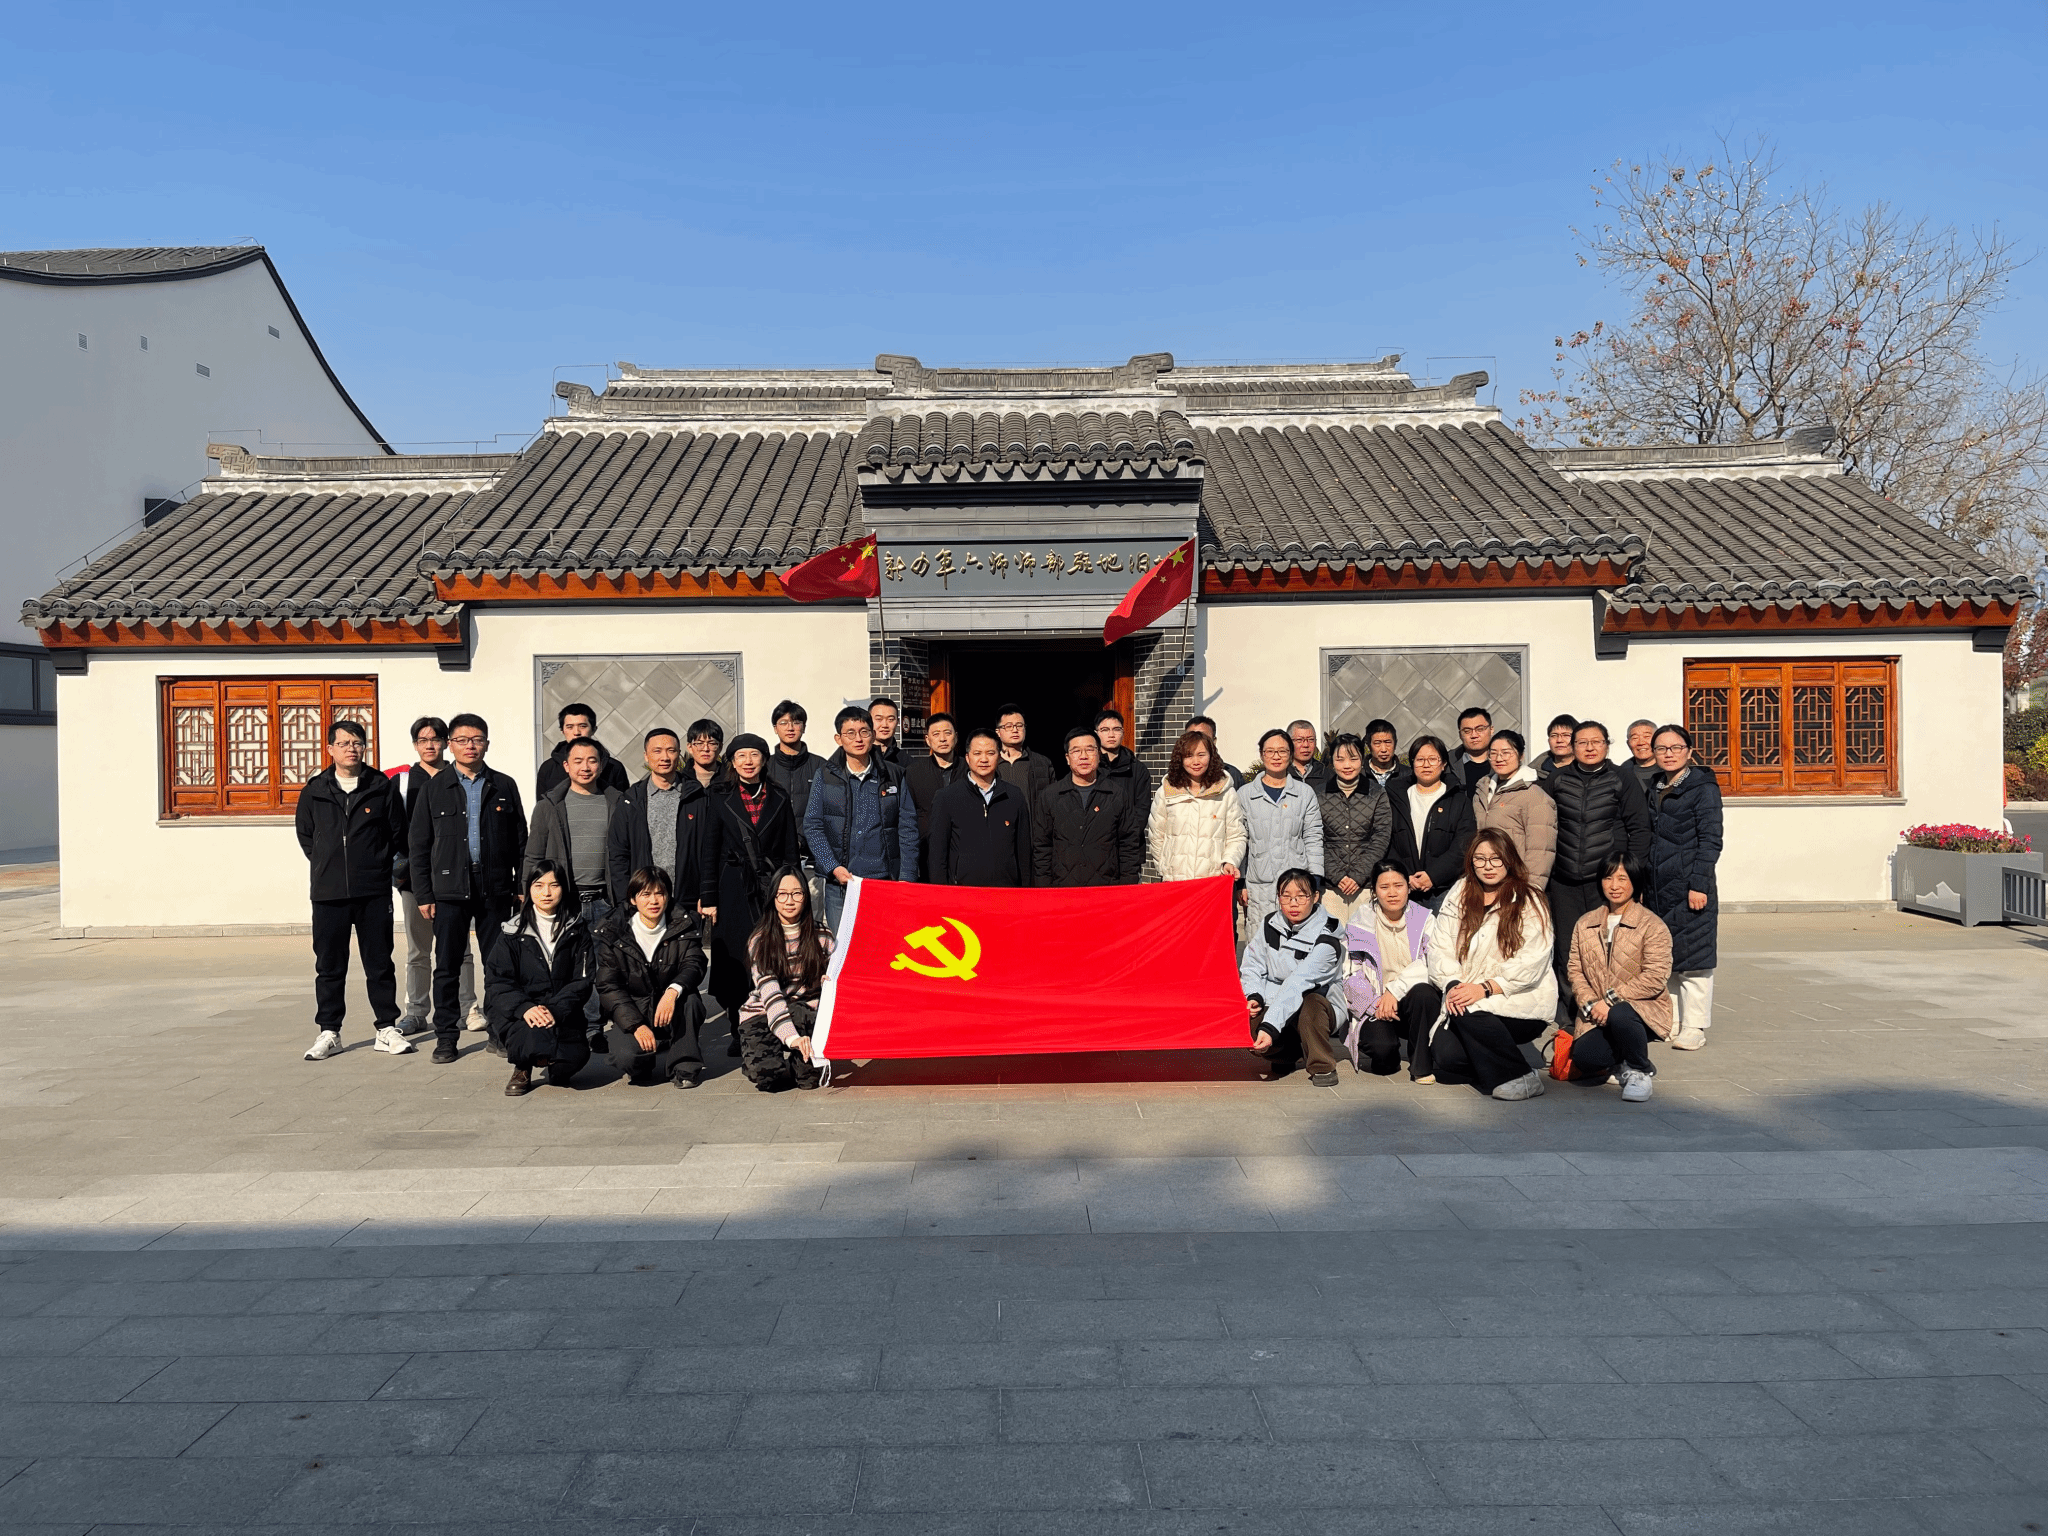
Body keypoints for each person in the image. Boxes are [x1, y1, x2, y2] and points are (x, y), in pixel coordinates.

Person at [411, 713, 528, 1065]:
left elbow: (520, 841)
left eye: (477, 739)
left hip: (495, 888)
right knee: (447, 966)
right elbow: (419, 845)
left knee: (498, 965)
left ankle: (499, 1032)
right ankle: (447, 1036)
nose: (470, 746)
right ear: (451, 745)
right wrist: (424, 894)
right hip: (449, 890)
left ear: (487, 744)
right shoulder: (435, 788)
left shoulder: (503, 785)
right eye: (462, 740)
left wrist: (521, 886)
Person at [1416, 832, 1558, 1100]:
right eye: (1480, 859)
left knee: (1470, 1009)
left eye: (1496, 858)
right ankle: (1496, 1067)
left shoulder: (1530, 898)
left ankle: (1521, 1077)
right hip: (1466, 995)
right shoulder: (1460, 892)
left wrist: (1485, 988)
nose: (1488, 866)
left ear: (1509, 859)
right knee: (1447, 1056)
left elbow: (1533, 959)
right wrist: (1453, 983)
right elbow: (1439, 947)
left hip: (1517, 997)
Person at [297, 719, 407, 1060]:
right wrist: (328, 865)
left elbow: (397, 833)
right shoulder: (315, 790)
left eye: (357, 742)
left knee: (380, 962)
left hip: (372, 890)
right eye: (344, 743)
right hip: (328, 893)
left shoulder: (380, 786)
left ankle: (386, 1028)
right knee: (329, 965)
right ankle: (330, 1031)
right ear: (330, 748)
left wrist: (375, 864)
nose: (351, 749)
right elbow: (307, 836)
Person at [1544, 719, 1653, 1026]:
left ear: (1607, 745)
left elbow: (1639, 830)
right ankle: (1572, 1015)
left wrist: (1631, 878)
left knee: (1607, 948)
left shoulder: (1623, 778)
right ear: (1572, 747)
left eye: (1596, 742)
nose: (1590, 748)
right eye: (1582, 742)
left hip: (1605, 881)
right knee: (1567, 948)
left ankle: (1609, 1010)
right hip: (1564, 878)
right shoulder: (1557, 779)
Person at [704, 733, 801, 1041]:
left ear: (764, 759)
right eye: (741, 756)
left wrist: (793, 889)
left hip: (771, 885)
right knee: (735, 957)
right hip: (732, 887)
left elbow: (790, 847)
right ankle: (739, 1028)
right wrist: (708, 896)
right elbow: (709, 849)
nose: (748, 762)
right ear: (732, 762)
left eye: (754, 755)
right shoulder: (719, 795)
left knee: (773, 952)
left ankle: (774, 1023)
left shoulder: (778, 795)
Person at [1563, 852, 1673, 1102]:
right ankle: (1622, 1057)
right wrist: (1591, 1004)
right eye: (1608, 878)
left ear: (1635, 881)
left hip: (1640, 1009)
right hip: (1597, 1012)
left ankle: (1640, 1070)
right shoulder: (1585, 923)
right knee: (1586, 1059)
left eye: (1622, 879)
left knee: (1621, 1013)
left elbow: (1655, 976)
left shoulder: (1652, 925)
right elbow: (1575, 970)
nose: (1614, 886)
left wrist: (1610, 1001)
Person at [388, 717, 473, 1035]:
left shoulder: (462, 778)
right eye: (423, 740)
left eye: (436, 739)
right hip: (415, 877)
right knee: (418, 950)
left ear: (446, 743)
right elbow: (394, 831)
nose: (430, 745)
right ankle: (416, 1011)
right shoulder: (402, 782)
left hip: (457, 879)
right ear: (415, 745)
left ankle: (468, 1008)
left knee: (461, 949)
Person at [804, 705, 919, 933]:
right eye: (850, 733)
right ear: (838, 739)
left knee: (884, 945)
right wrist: (832, 866)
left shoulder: (893, 774)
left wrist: (907, 876)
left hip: (884, 882)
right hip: (842, 884)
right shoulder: (825, 775)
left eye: (864, 732)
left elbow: (907, 827)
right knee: (844, 947)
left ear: (873, 736)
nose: (858, 739)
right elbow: (813, 826)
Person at [485, 860, 594, 1097]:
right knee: (531, 1038)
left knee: (574, 1059)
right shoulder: (512, 932)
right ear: (529, 890)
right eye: (538, 885)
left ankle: (553, 1061)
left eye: (554, 885)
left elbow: (583, 981)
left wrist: (555, 1010)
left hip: (562, 1012)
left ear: (564, 888)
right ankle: (522, 1067)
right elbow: (498, 981)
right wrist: (525, 1008)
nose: (546, 893)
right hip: (523, 1014)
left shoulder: (577, 929)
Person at [596, 866, 708, 1088]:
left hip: (671, 1007)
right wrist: (636, 1025)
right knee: (626, 1057)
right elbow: (609, 986)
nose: (653, 901)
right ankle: (643, 1062)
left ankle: (684, 1067)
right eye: (645, 894)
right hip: (634, 1008)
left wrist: (673, 991)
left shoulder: (683, 924)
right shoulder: (614, 931)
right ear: (633, 899)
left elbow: (694, 963)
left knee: (691, 1000)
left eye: (660, 893)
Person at [1646, 724, 1722, 1052]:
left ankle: (1694, 1027)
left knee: (1695, 961)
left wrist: (1699, 883)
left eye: (1676, 747)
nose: (1669, 754)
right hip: (1658, 887)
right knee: (1668, 959)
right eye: (1662, 748)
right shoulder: (1655, 785)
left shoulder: (1702, 788)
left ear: (1689, 751)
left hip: (1690, 885)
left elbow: (1711, 839)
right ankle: (1673, 1021)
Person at [1241, 868, 1348, 1087]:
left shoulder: (1328, 934)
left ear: (1315, 897)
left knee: (1310, 1004)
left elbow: (1299, 982)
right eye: (1286, 896)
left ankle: (1322, 1065)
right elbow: (1252, 965)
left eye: (1301, 896)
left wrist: (1270, 1027)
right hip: (1275, 997)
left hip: (1318, 1000)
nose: (1293, 903)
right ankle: (1287, 1055)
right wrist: (1254, 995)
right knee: (1249, 1017)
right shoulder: (1270, 923)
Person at [735, 866, 833, 1091]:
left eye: (797, 893)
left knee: (809, 1081)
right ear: (773, 898)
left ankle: (798, 1063)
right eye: (782, 894)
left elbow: (837, 980)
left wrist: (829, 982)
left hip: (805, 1011)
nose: (790, 901)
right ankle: (770, 1059)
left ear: (805, 897)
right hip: (763, 1012)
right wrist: (792, 1039)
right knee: (767, 1077)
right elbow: (772, 996)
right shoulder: (761, 940)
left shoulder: (822, 936)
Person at [606, 727, 717, 924]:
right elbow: (618, 855)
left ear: (679, 754)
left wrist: (707, 894)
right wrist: (626, 900)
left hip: (688, 901)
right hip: (644, 903)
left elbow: (710, 850)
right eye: (657, 751)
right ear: (646, 756)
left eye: (671, 751)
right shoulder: (631, 800)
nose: (664, 757)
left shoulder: (698, 797)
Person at [1343, 862, 1437, 1078]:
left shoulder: (1425, 919)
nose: (1392, 893)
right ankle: (1389, 1050)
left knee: (1424, 992)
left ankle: (1421, 1066)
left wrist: (1394, 991)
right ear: (1374, 891)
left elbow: (1431, 962)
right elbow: (1349, 974)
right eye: (1384, 887)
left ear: (1408, 887)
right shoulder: (1360, 923)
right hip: (1376, 1004)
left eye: (1398, 886)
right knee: (1383, 1054)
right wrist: (1376, 1004)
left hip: (1411, 1000)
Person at [1238, 729, 1324, 932]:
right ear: (1262, 755)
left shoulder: (1304, 793)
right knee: (1260, 939)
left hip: (1297, 885)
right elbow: (1240, 839)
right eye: (1270, 751)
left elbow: (1313, 837)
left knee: (1298, 940)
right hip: (1259, 886)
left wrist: (1315, 879)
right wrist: (1240, 883)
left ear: (1291, 754)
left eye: (1282, 751)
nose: (1276, 756)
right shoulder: (1245, 795)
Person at [1034, 726, 1142, 887]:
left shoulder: (1117, 795)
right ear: (1067, 758)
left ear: (1099, 755)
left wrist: (1127, 886)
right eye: (1076, 751)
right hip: (1063, 888)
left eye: (1090, 750)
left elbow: (1129, 844)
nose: (1083, 756)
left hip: (1106, 888)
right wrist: (1044, 887)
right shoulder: (1050, 796)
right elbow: (1042, 846)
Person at [929, 729, 1033, 886]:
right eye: (977, 753)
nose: (984, 759)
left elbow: (1023, 851)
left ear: (999, 756)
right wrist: (942, 893)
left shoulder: (1014, 796)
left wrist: (1024, 890)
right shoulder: (947, 797)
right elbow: (937, 855)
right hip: (963, 891)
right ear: (967, 758)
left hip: (1005, 891)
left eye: (990, 753)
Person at [1385, 736, 1476, 911]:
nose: (1426, 765)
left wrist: (1433, 876)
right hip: (1404, 887)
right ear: (1412, 764)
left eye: (1433, 759)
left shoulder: (1458, 800)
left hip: (1443, 889)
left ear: (1443, 764)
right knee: (1406, 930)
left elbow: (1463, 845)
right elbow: (1386, 840)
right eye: (1420, 760)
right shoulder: (1396, 798)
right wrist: (1404, 874)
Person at [1148, 729, 1247, 883]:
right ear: (1180, 759)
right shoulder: (1167, 791)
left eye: (1201, 755)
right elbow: (1156, 834)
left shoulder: (1225, 793)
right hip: (1174, 882)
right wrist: (1164, 868)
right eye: (1189, 756)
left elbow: (1236, 835)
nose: (1195, 762)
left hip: (1212, 882)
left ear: (1211, 756)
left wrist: (1230, 861)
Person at [1317, 732, 1392, 924]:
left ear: (1362, 759)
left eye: (1353, 758)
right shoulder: (1319, 794)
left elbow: (1381, 837)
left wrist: (1358, 876)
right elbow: (1315, 839)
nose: (1347, 765)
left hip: (1365, 886)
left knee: (1364, 938)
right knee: (1332, 939)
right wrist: (1337, 876)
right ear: (1332, 761)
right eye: (1340, 759)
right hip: (1330, 887)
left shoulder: (1377, 793)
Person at [1472, 730, 1557, 891]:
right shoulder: (1482, 790)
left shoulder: (1535, 796)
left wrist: (1531, 890)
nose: (1499, 758)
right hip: (1483, 879)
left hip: (1516, 883)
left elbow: (1540, 851)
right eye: (1493, 753)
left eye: (1506, 753)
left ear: (1521, 755)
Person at [905, 711, 963, 878]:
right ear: (928, 740)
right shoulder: (914, 772)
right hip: (927, 852)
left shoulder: (969, 770)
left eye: (947, 733)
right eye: (936, 734)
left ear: (956, 737)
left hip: (965, 851)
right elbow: (908, 816)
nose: (942, 739)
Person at [535, 701, 630, 799]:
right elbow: (543, 806)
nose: (576, 732)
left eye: (582, 726)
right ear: (562, 731)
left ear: (594, 729)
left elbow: (623, 804)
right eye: (570, 727)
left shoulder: (614, 767)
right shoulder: (548, 768)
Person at [765, 700, 824, 829]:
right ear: (775, 728)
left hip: (810, 838)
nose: (790, 728)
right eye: (783, 723)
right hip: (775, 839)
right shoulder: (765, 766)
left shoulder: (820, 766)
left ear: (804, 727)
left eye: (796, 723)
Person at [1093, 709, 1153, 834]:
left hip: (1129, 841)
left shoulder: (1138, 769)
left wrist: (1127, 837)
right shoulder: (1090, 767)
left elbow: (1142, 810)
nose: (1111, 735)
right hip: (1095, 840)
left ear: (1123, 733)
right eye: (1105, 730)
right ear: (1096, 734)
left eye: (1116, 729)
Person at [994, 703, 1056, 809]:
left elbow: (1053, 799)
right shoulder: (991, 763)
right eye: (1009, 726)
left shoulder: (1042, 763)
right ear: (998, 732)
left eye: (1019, 725)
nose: (1015, 730)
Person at [1187, 715, 1245, 788]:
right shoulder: (1175, 774)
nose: (1198, 742)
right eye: (1192, 737)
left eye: (1204, 737)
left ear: (1214, 741)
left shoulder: (1232, 774)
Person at [1449, 707, 1494, 790]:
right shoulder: (1448, 762)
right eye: (1467, 731)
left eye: (1480, 729)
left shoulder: (1506, 759)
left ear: (1491, 730)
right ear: (1460, 735)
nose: (1474, 735)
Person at [1363, 719, 1406, 793]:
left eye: (1388, 742)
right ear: (1369, 746)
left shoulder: (1408, 775)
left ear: (1395, 744)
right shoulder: (1360, 776)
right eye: (1377, 743)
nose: (1383, 749)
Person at [685, 718, 728, 791]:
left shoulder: (731, 782)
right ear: (690, 747)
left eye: (712, 743)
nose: (706, 749)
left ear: (720, 747)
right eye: (699, 743)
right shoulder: (680, 782)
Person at [1287, 719, 1331, 792]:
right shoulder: (1280, 774)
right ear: (1288, 743)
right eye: (1299, 740)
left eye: (1311, 740)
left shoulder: (1326, 775)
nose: (1306, 745)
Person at [1537, 714, 1578, 781]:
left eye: (1566, 735)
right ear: (1548, 740)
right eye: (1554, 735)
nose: (1559, 740)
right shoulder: (1533, 773)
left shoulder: (1589, 769)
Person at [1624, 719, 1660, 794]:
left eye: (1646, 736)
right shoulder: (1620, 775)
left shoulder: (1671, 771)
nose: (1641, 742)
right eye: (1635, 738)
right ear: (1628, 743)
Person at [869, 696, 904, 765]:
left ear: (897, 722)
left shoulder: (906, 761)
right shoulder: (860, 757)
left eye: (890, 719)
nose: (885, 725)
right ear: (869, 721)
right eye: (879, 719)